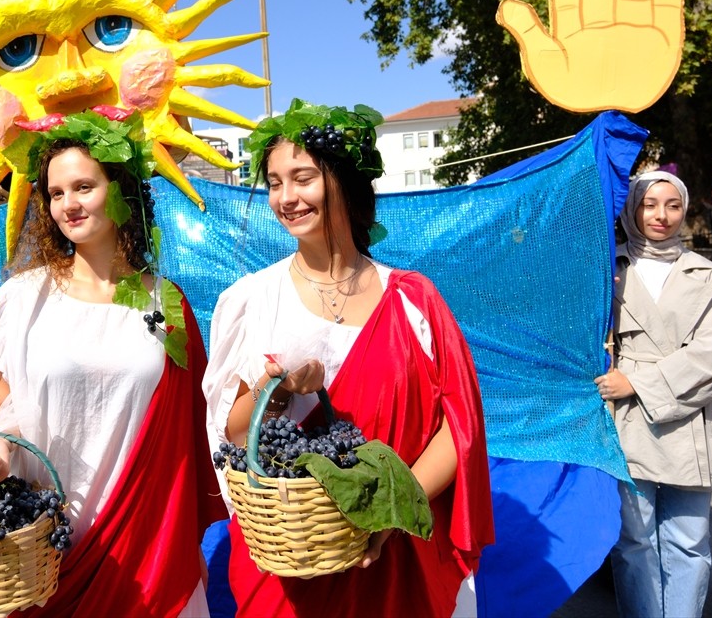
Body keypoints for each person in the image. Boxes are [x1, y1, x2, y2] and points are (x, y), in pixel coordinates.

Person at [203, 101, 495, 617]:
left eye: (302, 178)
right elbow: (230, 430)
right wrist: (280, 393)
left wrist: (389, 512)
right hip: (293, 562)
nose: (286, 198)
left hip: (399, 551)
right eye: (273, 182)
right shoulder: (250, 300)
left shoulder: (412, 299)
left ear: (344, 181)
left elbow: (460, 426)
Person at [0, 112, 225, 617]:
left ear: (120, 190)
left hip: (151, 547)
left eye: (83, 186)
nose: (68, 205)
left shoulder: (167, 303)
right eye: (56, 193)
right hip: (47, 552)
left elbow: (193, 429)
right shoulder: (24, 297)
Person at [598, 170, 712, 618]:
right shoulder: (607, 271)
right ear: (631, 209)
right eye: (649, 204)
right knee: (634, 542)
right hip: (624, 422)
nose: (661, 215)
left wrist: (638, 382)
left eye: (673, 205)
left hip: (691, 418)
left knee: (688, 542)